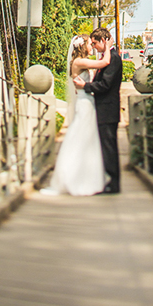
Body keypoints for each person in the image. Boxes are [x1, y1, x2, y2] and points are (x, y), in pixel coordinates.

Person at [43, 35, 110, 196]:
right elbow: (104, 62)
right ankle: (73, 177)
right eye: (89, 43)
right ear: (82, 46)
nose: (92, 46)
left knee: (86, 139)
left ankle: (83, 176)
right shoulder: (79, 62)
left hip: (87, 101)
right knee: (81, 138)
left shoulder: (81, 61)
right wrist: (107, 46)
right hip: (84, 104)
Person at [74, 27, 122, 193]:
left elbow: (105, 85)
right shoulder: (107, 58)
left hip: (108, 110)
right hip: (102, 110)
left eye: (95, 43)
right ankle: (108, 181)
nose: (93, 46)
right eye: (91, 43)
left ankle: (113, 184)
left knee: (109, 147)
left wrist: (85, 86)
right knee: (105, 147)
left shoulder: (113, 58)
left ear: (104, 41)